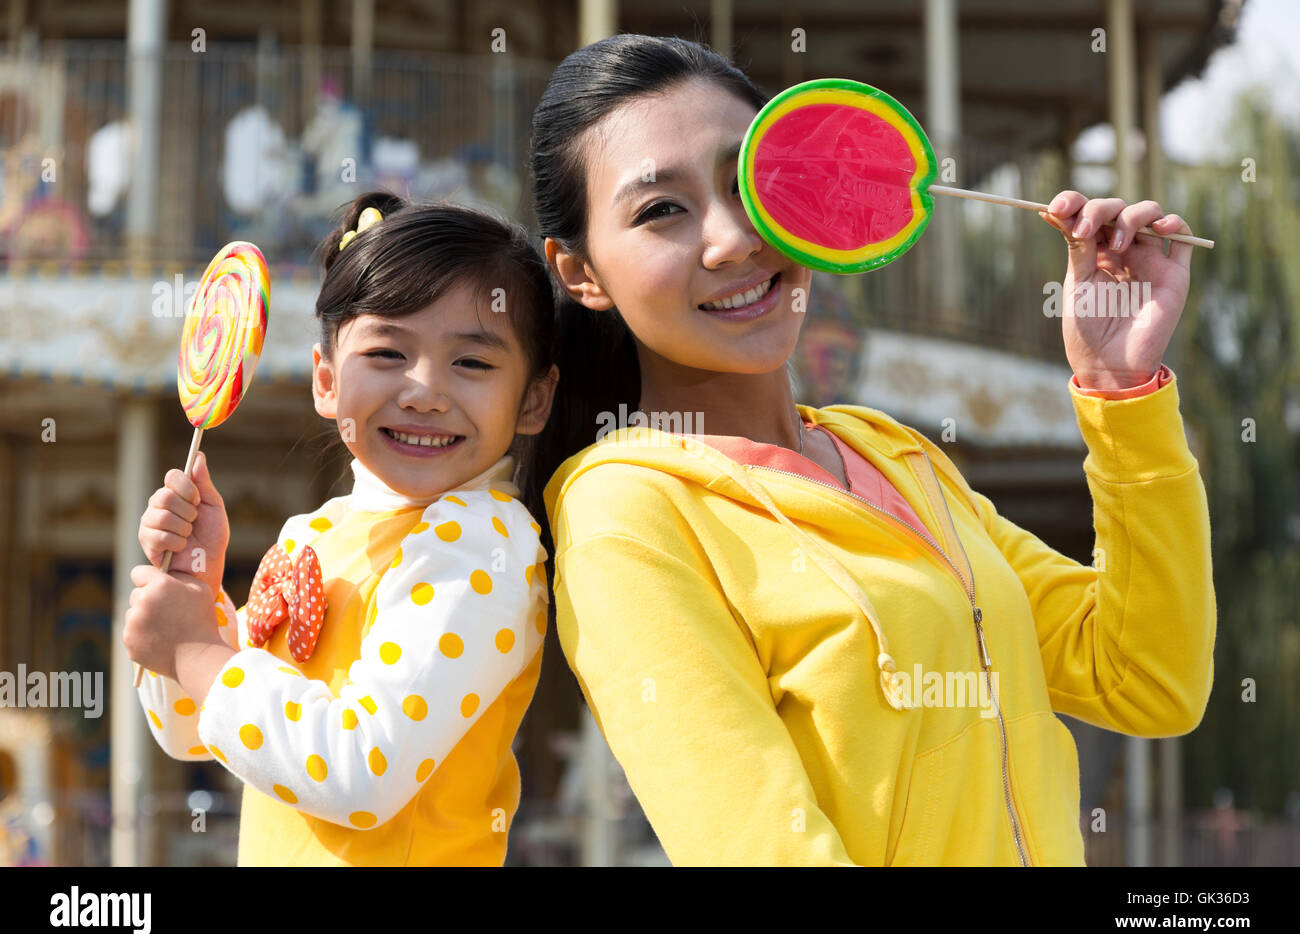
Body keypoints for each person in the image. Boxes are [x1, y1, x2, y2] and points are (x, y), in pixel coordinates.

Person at [526, 34, 1215, 866]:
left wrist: (1118, 390)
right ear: (580, 273)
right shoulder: (628, 514)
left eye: (753, 182)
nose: (735, 239)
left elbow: (1147, 677)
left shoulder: (896, 456)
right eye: (660, 210)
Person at [123, 191, 560, 865]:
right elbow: (196, 733)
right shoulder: (313, 534)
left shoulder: (483, 545)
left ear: (534, 398)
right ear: (325, 380)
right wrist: (195, 596)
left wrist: (194, 653)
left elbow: (359, 773)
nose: (424, 390)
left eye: (471, 362)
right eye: (387, 352)